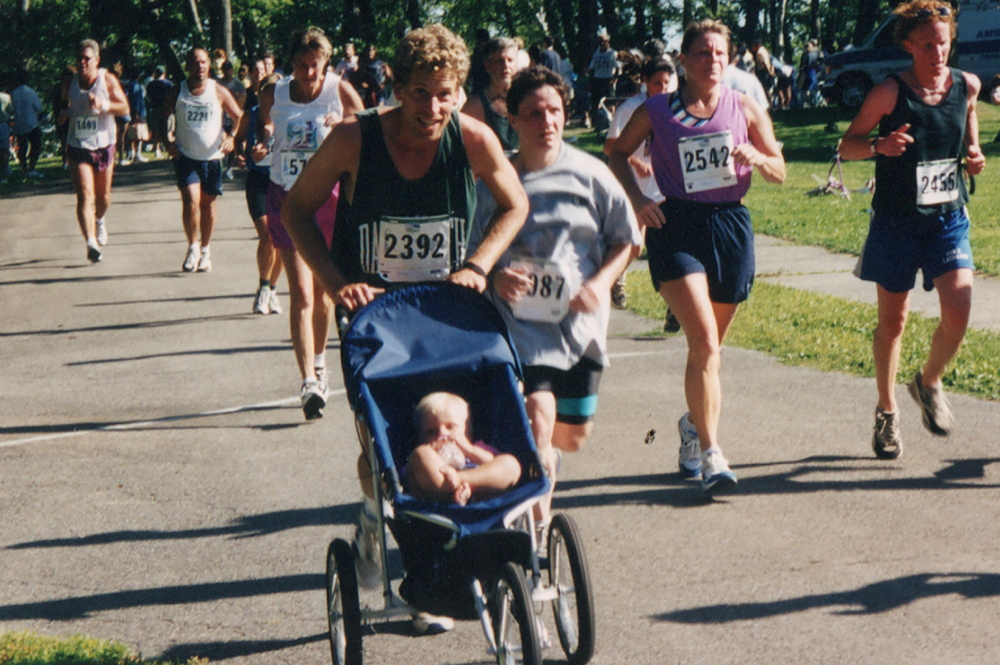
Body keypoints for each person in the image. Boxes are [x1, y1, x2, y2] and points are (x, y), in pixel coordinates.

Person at [280, 23, 528, 630]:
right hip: (375, 319)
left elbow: (514, 203)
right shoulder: (353, 140)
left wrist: (477, 264)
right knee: (382, 441)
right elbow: (294, 210)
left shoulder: (471, 138)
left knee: (459, 423)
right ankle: (375, 520)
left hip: (448, 313)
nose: (433, 108)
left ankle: (446, 561)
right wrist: (338, 282)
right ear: (396, 86)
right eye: (421, 93)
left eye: (445, 93)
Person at [609, 19, 785, 495]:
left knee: (709, 351)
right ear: (683, 60)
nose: (713, 62)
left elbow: (780, 170)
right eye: (703, 53)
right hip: (677, 227)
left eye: (720, 54)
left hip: (730, 225)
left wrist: (759, 158)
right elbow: (617, 153)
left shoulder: (744, 106)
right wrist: (639, 202)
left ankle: (691, 424)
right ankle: (712, 454)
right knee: (705, 342)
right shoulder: (657, 109)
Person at [472, 66, 640, 524]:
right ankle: (537, 534)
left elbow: (627, 239)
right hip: (521, 324)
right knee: (537, 419)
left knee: (572, 437)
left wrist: (601, 283)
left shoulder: (593, 175)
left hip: (579, 326)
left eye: (554, 111)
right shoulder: (496, 179)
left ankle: (548, 460)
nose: (546, 122)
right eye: (533, 113)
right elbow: (473, 252)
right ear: (513, 118)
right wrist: (496, 276)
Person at [839, 0, 984, 460]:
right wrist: (879, 145)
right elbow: (847, 146)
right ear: (908, 46)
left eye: (942, 42)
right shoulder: (888, 92)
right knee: (893, 321)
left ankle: (928, 381)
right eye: (926, 45)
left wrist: (974, 153)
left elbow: (969, 126)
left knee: (959, 308)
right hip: (897, 222)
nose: (937, 52)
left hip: (947, 218)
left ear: (951, 40)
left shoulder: (967, 85)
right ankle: (887, 411)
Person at [251, 26, 364, 420]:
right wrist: (263, 141)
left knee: (321, 295)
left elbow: (366, 129)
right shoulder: (274, 93)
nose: (308, 74)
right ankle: (308, 382)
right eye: (301, 66)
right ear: (291, 64)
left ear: (326, 63)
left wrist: (344, 126)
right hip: (286, 196)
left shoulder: (339, 90)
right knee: (300, 292)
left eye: (315, 66)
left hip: (327, 200)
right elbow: (268, 125)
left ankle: (319, 361)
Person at [158, 47, 243, 273]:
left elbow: (238, 115)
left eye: (204, 62)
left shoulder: (218, 90)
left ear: (209, 65)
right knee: (190, 202)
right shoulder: (178, 91)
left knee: (208, 206)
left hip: (213, 157)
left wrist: (232, 138)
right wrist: (168, 141)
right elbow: (165, 114)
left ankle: (206, 250)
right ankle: (192, 247)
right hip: (186, 156)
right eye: (196, 63)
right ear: (188, 66)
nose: (200, 66)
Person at [604, 55, 676, 313]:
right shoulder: (630, 109)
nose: (663, 89)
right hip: (635, 186)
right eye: (657, 83)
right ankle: (616, 280)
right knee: (635, 245)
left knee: (671, 247)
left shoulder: (676, 107)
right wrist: (637, 164)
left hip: (664, 187)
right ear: (645, 82)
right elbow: (610, 147)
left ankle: (674, 307)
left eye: (667, 83)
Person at [59, 40, 130, 263]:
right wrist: (65, 114)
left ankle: (99, 220)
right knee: (84, 194)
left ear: (96, 60)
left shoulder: (107, 79)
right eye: (79, 58)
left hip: (104, 144)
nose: (82, 63)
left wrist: (103, 104)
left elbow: (125, 108)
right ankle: (91, 243)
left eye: (87, 58)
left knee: (103, 197)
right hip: (79, 145)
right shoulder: (69, 82)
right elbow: (67, 105)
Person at [405, 392, 521, 505]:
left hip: (481, 490)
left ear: (467, 431)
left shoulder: (477, 448)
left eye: (450, 427)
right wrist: (428, 452)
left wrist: (469, 450)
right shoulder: (429, 453)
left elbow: (494, 463)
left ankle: (462, 482)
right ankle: (452, 493)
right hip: (439, 495)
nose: (442, 434)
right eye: (430, 432)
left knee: (510, 463)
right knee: (419, 454)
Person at [234, 62, 283, 316]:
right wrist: (241, 154)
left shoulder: (289, 118)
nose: (270, 105)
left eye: (275, 99)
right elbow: (239, 139)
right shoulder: (251, 114)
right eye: (267, 99)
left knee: (283, 242)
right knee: (267, 234)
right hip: (259, 180)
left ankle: (272, 289)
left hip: (284, 182)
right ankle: (264, 287)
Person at [461, 36, 519, 154]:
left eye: (510, 60)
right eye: (499, 61)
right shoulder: (475, 106)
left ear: (516, 65)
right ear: (488, 66)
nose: (506, 66)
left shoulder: (527, 100)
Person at [11, 71, 43, 179]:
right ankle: (32, 168)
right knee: (36, 146)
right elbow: (39, 107)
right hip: (32, 123)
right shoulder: (31, 92)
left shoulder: (13, 93)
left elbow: (11, 109)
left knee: (22, 148)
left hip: (19, 124)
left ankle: (24, 169)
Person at [219, 60, 247, 180]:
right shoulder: (218, 84)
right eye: (225, 69)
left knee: (232, 144)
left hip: (232, 119)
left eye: (229, 69)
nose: (228, 72)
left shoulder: (238, 85)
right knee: (219, 142)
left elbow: (241, 100)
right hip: (220, 119)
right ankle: (219, 166)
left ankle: (229, 168)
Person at [588, 34, 620, 123]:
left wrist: (615, 78)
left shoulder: (612, 53)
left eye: (604, 41)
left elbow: (618, 67)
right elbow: (592, 68)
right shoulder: (596, 53)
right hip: (598, 79)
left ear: (608, 42)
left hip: (608, 79)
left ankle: (612, 122)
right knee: (598, 102)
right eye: (600, 41)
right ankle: (600, 122)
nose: (602, 43)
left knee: (610, 102)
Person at [145, 67, 173, 158]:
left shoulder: (151, 84)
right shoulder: (169, 84)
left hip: (155, 109)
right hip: (167, 109)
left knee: (156, 130)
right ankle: (170, 151)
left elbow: (148, 97)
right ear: (164, 73)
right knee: (169, 131)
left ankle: (157, 150)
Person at [123, 66, 148, 163]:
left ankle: (130, 153)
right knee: (138, 134)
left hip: (129, 111)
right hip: (138, 112)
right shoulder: (137, 85)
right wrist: (136, 113)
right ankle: (137, 154)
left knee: (130, 133)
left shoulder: (127, 85)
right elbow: (137, 100)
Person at [0, 85, 12, 183]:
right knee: (4, 150)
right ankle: (4, 173)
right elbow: (11, 110)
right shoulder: (5, 97)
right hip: (2, 125)